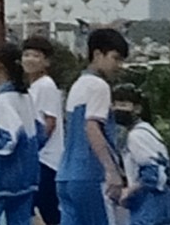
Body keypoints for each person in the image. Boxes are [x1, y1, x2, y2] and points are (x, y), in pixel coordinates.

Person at [54, 28, 128, 225]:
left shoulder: (78, 84)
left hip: (66, 176)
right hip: (91, 176)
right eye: (115, 58)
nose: (119, 66)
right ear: (97, 54)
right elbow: (92, 127)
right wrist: (111, 171)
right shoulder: (99, 86)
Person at [0, 44, 40, 225]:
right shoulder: (25, 95)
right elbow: (39, 130)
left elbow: (10, 137)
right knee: (20, 220)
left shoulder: (3, 98)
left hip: (8, 171)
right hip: (29, 170)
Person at [112, 86, 170, 225]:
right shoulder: (147, 130)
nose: (116, 109)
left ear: (137, 109)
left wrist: (128, 192)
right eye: (114, 104)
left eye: (123, 104)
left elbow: (152, 174)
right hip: (161, 202)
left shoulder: (137, 136)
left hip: (151, 205)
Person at [20, 36, 63, 225]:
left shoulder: (46, 85)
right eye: (26, 54)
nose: (30, 59)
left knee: (47, 209)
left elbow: (50, 122)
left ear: (46, 62)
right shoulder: (34, 86)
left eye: (36, 56)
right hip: (37, 158)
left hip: (46, 159)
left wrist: (32, 150)